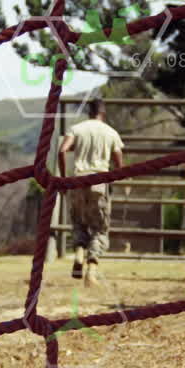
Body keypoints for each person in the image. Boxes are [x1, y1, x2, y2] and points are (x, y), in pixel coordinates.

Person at [58, 98, 124, 285]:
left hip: (78, 180)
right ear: (103, 113)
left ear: (89, 112)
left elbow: (62, 151)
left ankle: (79, 254)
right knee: (100, 229)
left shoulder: (76, 129)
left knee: (79, 223)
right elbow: (119, 165)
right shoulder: (111, 132)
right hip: (99, 182)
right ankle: (91, 272)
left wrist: (64, 179)